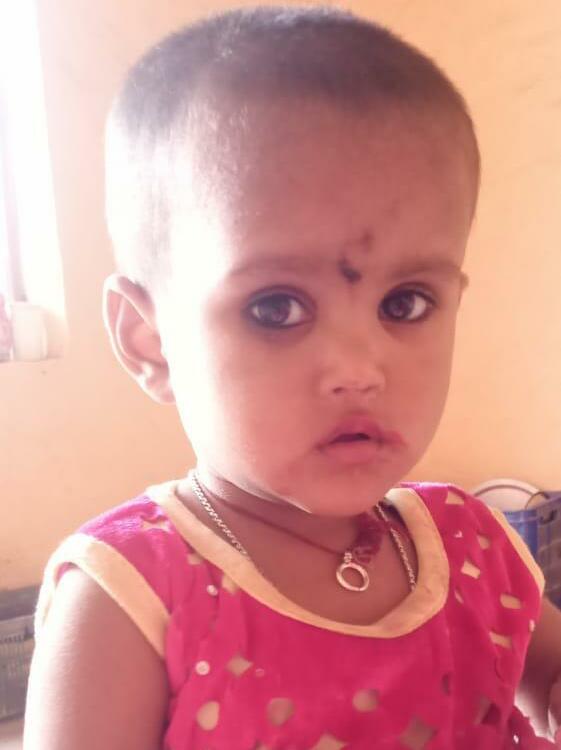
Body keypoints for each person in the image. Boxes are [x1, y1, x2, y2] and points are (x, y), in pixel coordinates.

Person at [23, 6, 561, 749]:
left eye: (405, 303)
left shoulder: (470, 547)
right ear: (151, 342)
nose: (359, 370)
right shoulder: (130, 597)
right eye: (276, 308)